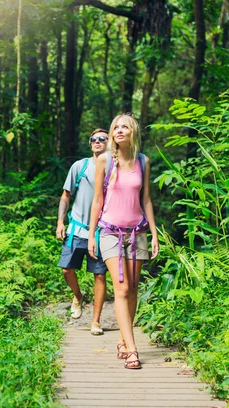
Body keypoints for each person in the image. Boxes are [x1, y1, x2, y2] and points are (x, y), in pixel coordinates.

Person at [88, 113, 159, 369]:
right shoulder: (105, 161)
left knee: (132, 290)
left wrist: (154, 234)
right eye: (115, 127)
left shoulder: (143, 161)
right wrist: (91, 234)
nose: (119, 131)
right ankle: (132, 350)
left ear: (133, 132)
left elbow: (147, 199)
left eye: (124, 127)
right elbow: (97, 199)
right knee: (121, 289)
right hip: (109, 232)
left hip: (137, 232)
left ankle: (122, 339)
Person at [56, 128, 109, 335]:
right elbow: (65, 196)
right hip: (77, 228)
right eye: (94, 139)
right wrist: (61, 221)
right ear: (90, 143)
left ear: (109, 142)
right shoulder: (80, 166)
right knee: (66, 270)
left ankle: (95, 321)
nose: (97, 141)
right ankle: (78, 295)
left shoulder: (113, 168)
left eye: (102, 139)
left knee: (100, 276)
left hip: (102, 231)